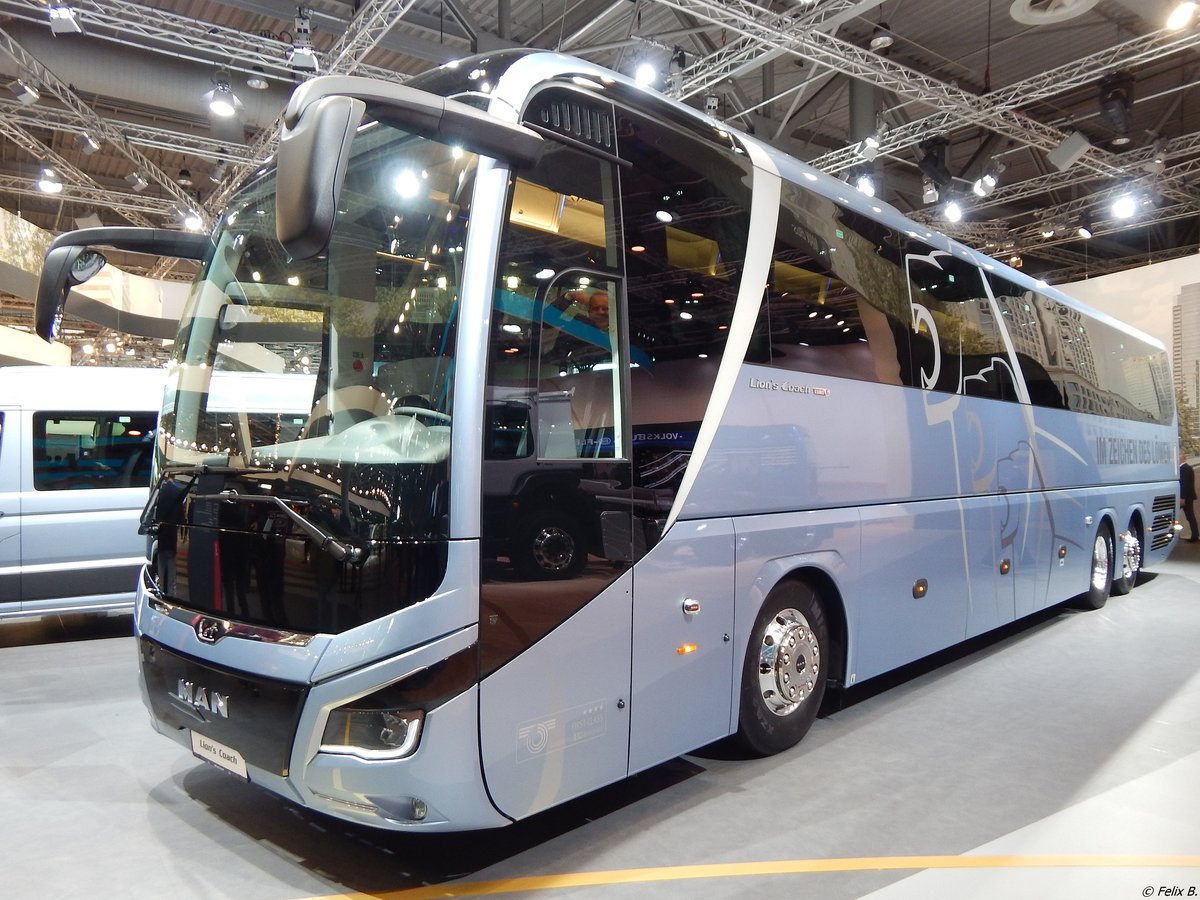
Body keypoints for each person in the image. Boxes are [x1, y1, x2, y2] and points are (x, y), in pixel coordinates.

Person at [1181, 451, 1198, 543]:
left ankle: (1195, 536)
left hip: (1185, 497)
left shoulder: (1184, 469)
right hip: (1188, 496)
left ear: (1182, 457)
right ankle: (1195, 535)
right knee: (1190, 516)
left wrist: (1182, 497)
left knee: (1190, 516)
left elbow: (1185, 484)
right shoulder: (1187, 468)